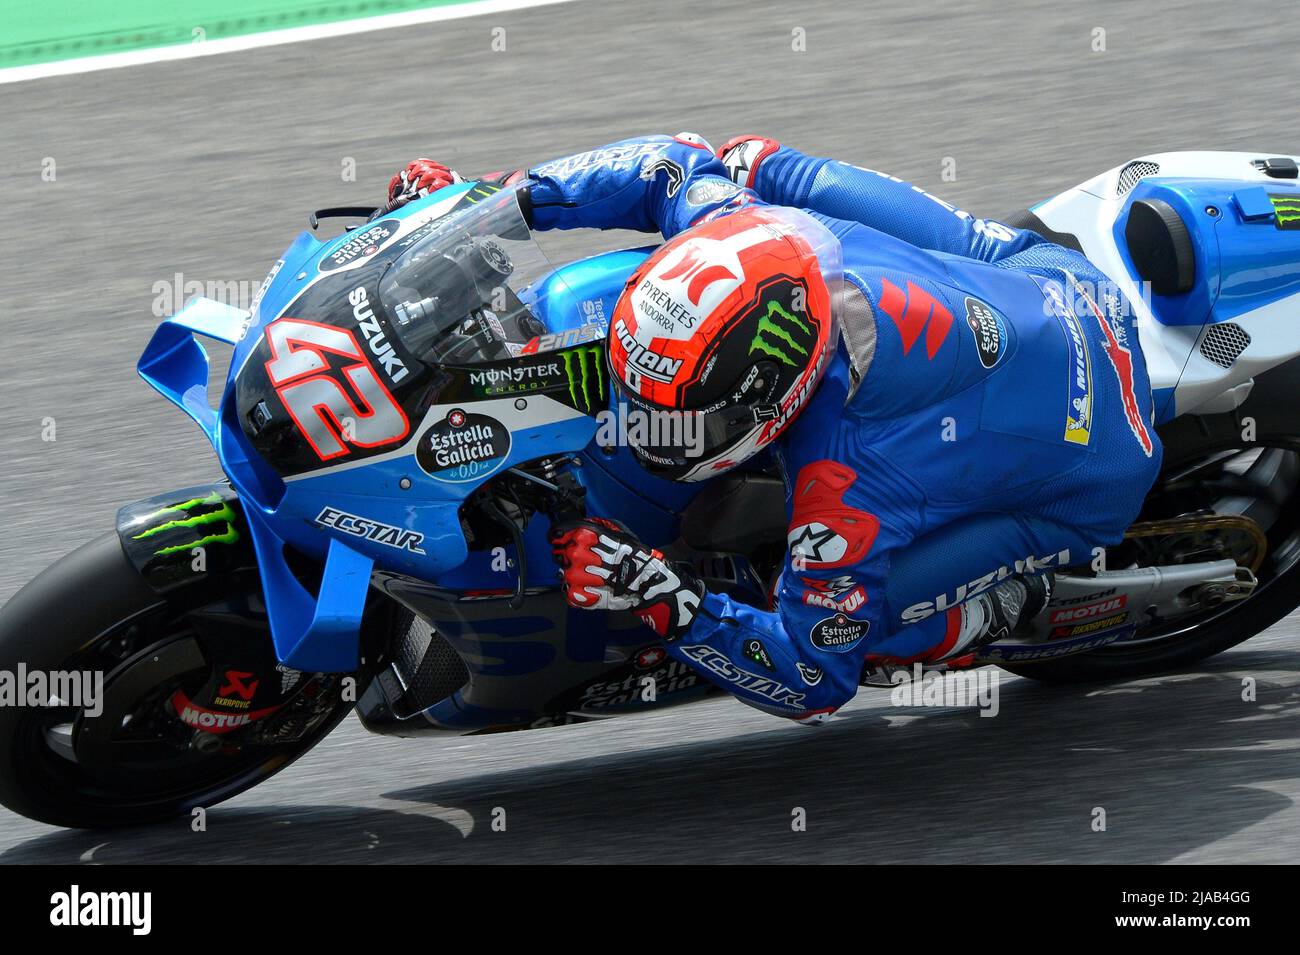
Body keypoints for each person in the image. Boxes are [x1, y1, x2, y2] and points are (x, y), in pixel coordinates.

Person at [384, 133, 1163, 723]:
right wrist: (491, 205)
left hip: (1089, 475)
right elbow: (667, 162)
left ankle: (1010, 606)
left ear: (778, 401)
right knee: (753, 161)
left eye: (680, 421)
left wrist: (663, 593)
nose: (647, 431)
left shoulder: (849, 484)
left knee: (858, 626)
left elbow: (812, 678)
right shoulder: (743, 224)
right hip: (1054, 281)